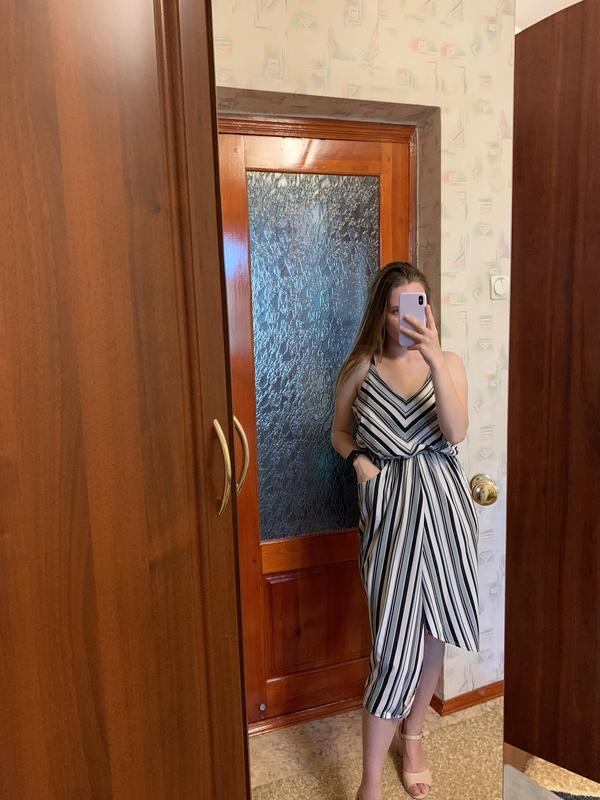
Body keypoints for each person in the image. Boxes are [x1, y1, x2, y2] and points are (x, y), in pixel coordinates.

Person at [331, 262, 480, 800]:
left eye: (415, 307)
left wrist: (435, 358)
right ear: (381, 313)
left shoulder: (449, 363)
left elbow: (456, 432)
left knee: (436, 631)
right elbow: (339, 431)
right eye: (395, 310)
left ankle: (412, 738)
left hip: (444, 512)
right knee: (393, 644)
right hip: (390, 513)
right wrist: (359, 463)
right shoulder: (361, 369)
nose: (405, 320)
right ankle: (369, 782)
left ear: (429, 309)